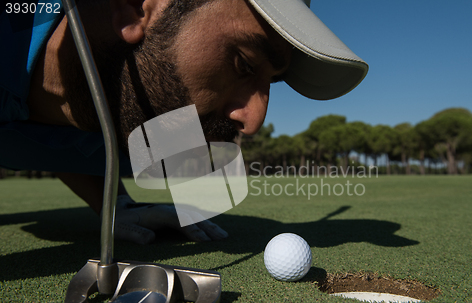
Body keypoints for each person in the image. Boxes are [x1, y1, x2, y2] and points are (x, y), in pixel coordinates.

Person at [0, 0, 368, 244]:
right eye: (244, 63)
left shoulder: (137, 123)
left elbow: (73, 142)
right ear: (132, 7)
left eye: (270, 83)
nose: (254, 121)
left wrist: (114, 205)